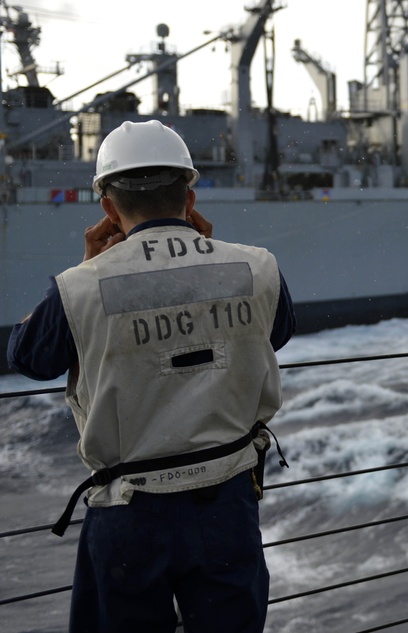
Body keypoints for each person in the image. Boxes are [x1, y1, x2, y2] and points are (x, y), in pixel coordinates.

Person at [6, 120, 296, 633]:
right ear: (190, 194)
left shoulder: (78, 287)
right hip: (227, 501)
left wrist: (92, 264)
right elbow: (272, 334)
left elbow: (29, 357)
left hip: (132, 512)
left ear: (107, 206)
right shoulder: (258, 266)